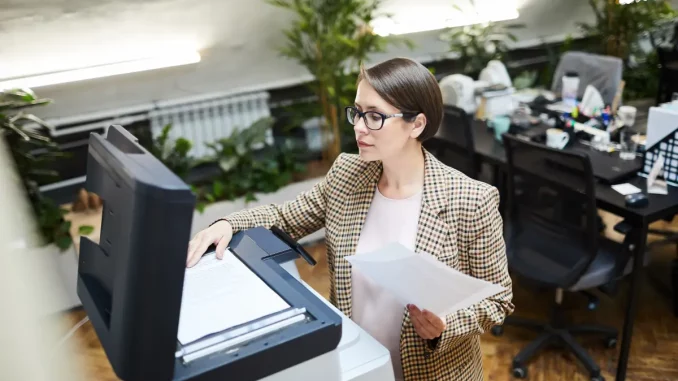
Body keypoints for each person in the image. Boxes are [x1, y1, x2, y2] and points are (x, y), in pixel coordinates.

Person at [186, 57, 514, 380]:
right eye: (357, 112)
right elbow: (283, 217)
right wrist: (227, 223)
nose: (358, 127)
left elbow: (498, 299)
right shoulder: (348, 173)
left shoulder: (471, 200)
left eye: (374, 117)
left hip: (437, 372)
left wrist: (445, 325)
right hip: (359, 363)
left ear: (416, 124)